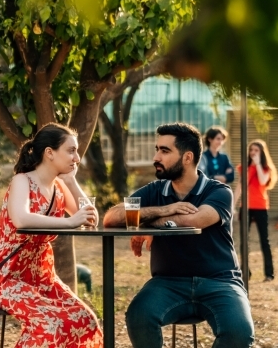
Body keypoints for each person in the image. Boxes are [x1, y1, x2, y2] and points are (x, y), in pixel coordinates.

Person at [103, 123, 254, 348]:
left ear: (187, 157)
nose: (156, 157)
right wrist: (165, 209)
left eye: (164, 151)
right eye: (157, 149)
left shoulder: (219, 191)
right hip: (168, 283)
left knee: (239, 333)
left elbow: (192, 220)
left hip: (220, 282)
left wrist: (145, 221)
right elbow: (112, 217)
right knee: (138, 316)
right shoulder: (156, 190)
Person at [0, 123, 102, 347]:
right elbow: (20, 218)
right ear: (49, 153)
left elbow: (90, 217)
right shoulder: (22, 180)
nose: (77, 158)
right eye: (71, 150)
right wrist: (68, 222)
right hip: (7, 276)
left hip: (42, 277)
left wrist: (71, 181)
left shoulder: (59, 186)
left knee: (85, 321)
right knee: (51, 324)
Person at [234, 139, 278, 282]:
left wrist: (258, 164)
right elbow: (241, 186)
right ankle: (245, 272)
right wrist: (232, 205)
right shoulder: (244, 167)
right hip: (245, 207)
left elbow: (262, 181)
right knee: (243, 241)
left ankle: (269, 273)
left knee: (264, 240)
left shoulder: (266, 168)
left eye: (256, 150)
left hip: (260, 207)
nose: (253, 153)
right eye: (251, 150)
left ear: (262, 152)